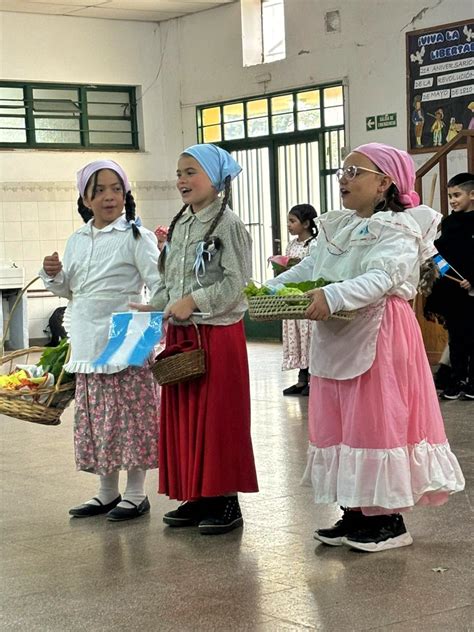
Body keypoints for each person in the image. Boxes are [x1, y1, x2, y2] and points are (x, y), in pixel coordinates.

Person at [266, 143, 465, 552]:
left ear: (384, 182)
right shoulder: (340, 226)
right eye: (343, 170)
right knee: (341, 424)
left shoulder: (400, 227)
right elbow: (310, 268)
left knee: (376, 423)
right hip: (336, 335)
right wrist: (267, 288)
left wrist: (333, 296)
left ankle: (388, 520)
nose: (344, 178)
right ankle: (354, 511)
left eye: (354, 171)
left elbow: (382, 277)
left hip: (379, 334)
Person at [40, 160, 162, 522]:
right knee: (102, 418)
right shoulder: (77, 239)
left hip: (128, 335)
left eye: (116, 189)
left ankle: (137, 494)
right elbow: (69, 289)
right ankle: (107, 493)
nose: (110, 197)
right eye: (100, 190)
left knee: (132, 418)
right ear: (85, 198)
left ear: (126, 194)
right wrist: (53, 275)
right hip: (88, 337)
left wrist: (152, 320)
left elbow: (158, 285)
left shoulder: (137, 236)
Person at [148, 143, 258, 534]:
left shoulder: (228, 224)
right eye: (179, 173)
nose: (182, 180)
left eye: (191, 172)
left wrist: (194, 300)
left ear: (216, 178)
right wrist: (153, 306)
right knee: (188, 416)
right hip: (184, 335)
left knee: (218, 419)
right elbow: (169, 281)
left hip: (217, 335)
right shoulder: (180, 224)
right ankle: (197, 495)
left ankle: (225, 500)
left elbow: (238, 283)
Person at [424, 172, 474, 400]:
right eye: (450, 196)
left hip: (472, 291)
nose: (453, 200)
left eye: (457, 195)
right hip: (454, 293)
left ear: (472, 195)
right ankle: (458, 378)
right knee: (456, 338)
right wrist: (431, 254)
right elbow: (440, 255)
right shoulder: (449, 222)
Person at [281, 204, 318, 397]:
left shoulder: (315, 244)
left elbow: (314, 269)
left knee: (308, 337)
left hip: (306, 298)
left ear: (306, 223)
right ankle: (301, 379)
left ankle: (312, 380)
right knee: (296, 338)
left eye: (292, 221)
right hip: (291, 299)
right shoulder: (292, 245)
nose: (288, 225)